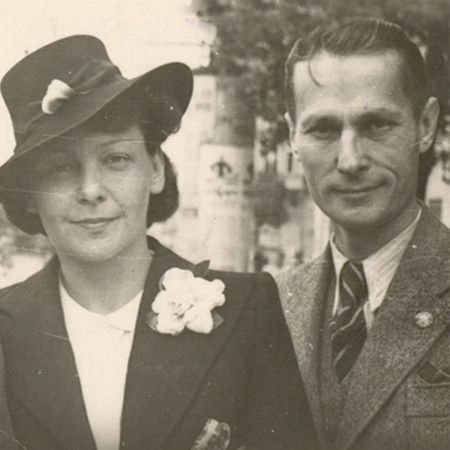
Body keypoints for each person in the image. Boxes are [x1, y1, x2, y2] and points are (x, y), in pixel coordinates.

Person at [0, 35, 317, 450]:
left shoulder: (246, 310)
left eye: (116, 159)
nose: (91, 190)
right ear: (30, 194)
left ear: (155, 170)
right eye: (60, 168)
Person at [277, 18, 449, 450]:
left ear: (426, 124)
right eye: (323, 129)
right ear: (292, 135)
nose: (350, 160)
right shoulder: (273, 305)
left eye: (376, 125)